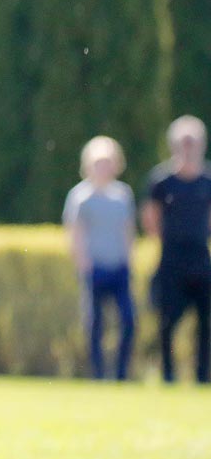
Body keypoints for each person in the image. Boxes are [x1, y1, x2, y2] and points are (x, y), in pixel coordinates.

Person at [142, 116, 211, 384]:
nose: (188, 148)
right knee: (167, 321)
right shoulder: (161, 181)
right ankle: (168, 375)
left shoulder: (207, 180)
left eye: (193, 142)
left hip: (199, 257)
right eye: (183, 143)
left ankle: (202, 376)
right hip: (171, 258)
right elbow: (150, 218)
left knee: (205, 322)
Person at [66, 136, 137, 381]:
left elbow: (128, 230)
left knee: (128, 321)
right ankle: (97, 374)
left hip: (119, 267)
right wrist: (83, 263)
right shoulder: (80, 197)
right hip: (94, 268)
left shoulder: (122, 195)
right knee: (95, 325)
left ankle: (120, 373)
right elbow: (75, 233)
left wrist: (130, 260)